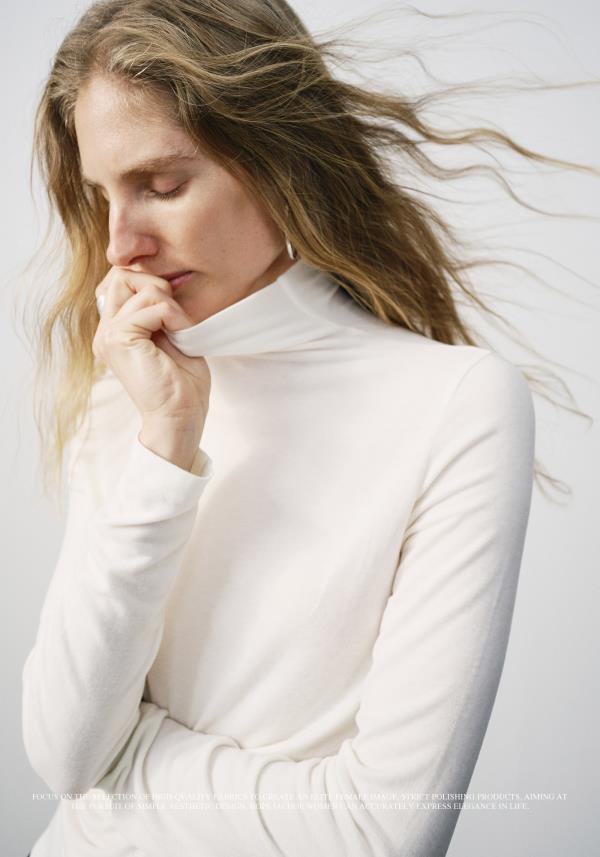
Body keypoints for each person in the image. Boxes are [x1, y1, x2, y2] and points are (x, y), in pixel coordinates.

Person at [21, 1, 539, 855]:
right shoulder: (131, 391)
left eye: (161, 186)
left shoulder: (457, 404)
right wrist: (166, 441)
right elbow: (66, 753)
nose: (120, 245)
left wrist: (122, 775)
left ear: (277, 159)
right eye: (101, 195)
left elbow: (383, 832)